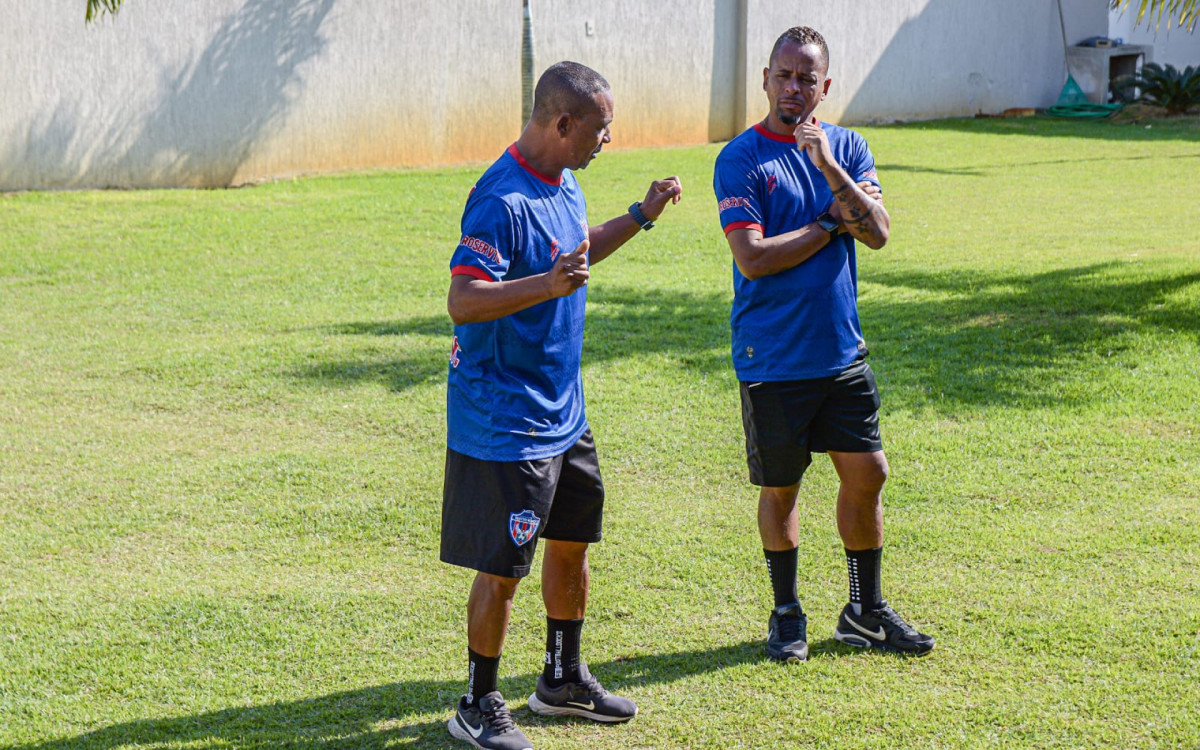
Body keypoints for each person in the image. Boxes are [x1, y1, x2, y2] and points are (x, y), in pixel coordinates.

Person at [441, 60, 682, 750]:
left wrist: (638, 216)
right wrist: (544, 286)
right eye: (601, 128)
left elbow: (573, 258)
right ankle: (478, 700)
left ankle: (562, 679)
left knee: (572, 546)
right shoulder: (502, 199)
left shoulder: (566, 182)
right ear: (563, 123)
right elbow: (463, 301)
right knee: (503, 567)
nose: (608, 140)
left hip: (563, 414)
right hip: (505, 421)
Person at [712, 26, 934, 663]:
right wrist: (827, 222)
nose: (793, 87)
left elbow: (880, 233)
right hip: (773, 357)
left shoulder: (850, 149)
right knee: (782, 490)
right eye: (783, 75)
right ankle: (787, 613)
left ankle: (863, 611)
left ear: (824, 85)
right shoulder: (741, 159)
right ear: (765, 79)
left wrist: (829, 167)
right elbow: (753, 258)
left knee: (869, 474)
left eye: (806, 78)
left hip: (842, 351)